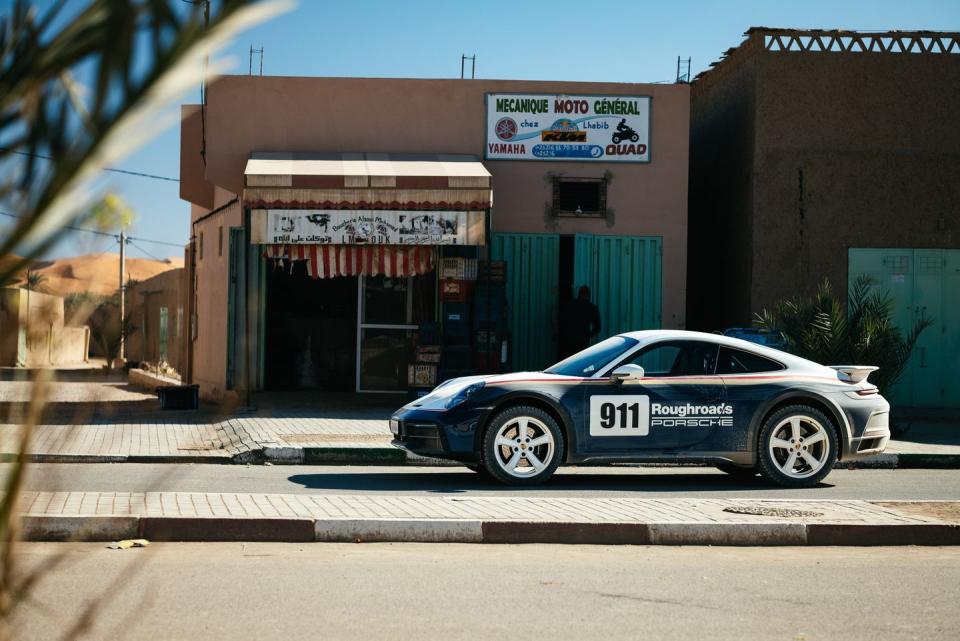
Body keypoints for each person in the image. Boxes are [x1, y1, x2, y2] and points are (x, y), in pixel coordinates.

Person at [563, 285, 601, 356]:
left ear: (579, 294)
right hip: (583, 342)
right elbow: (598, 328)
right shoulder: (592, 308)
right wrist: (587, 335)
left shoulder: (570, 305)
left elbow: (563, 321)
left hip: (569, 340)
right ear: (589, 295)